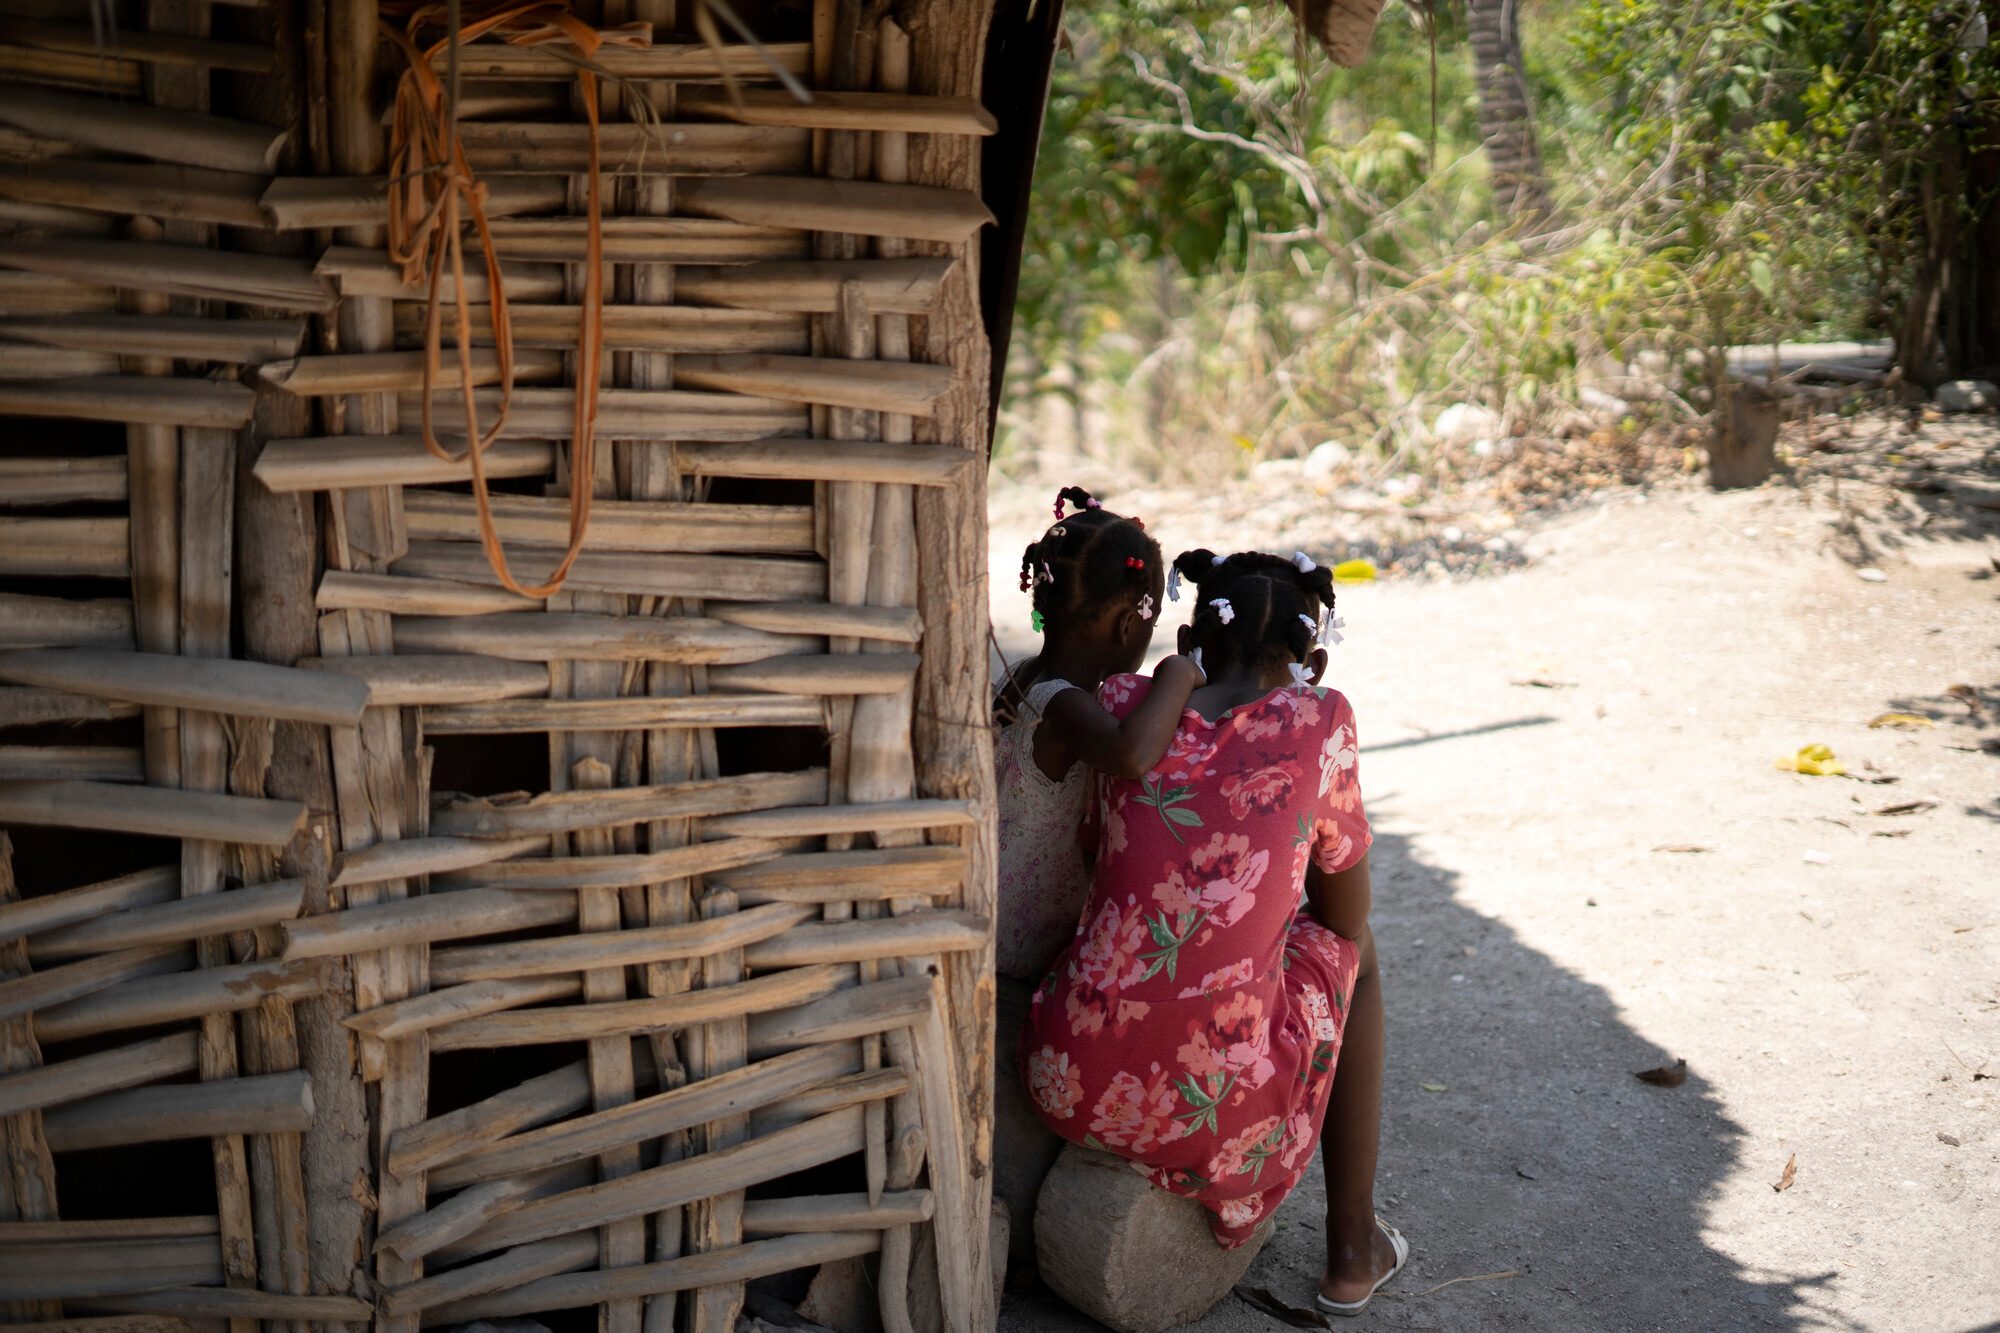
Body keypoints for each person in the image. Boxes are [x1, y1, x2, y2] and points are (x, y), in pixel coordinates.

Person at [1020, 547, 1406, 1317]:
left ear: (1190, 640)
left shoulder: (1129, 700)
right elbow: (1345, 916)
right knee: (1359, 956)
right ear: (1315, 660)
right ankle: (1352, 1246)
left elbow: (1102, 855)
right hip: (1210, 1105)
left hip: (1064, 1074)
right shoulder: (1319, 717)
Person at [994, 486, 1207, 984]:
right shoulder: (1064, 706)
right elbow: (1130, 755)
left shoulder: (1022, 676)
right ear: (1128, 623)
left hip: (989, 907)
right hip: (1018, 944)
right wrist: (1177, 672)